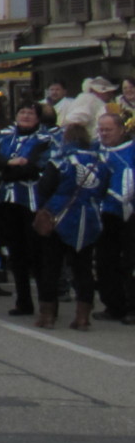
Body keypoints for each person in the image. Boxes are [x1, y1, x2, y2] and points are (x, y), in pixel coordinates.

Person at [36, 122, 109, 330]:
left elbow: (44, 188)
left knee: (51, 267)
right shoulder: (100, 161)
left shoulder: (60, 159)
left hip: (59, 217)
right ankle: (83, 317)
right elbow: (103, 189)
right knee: (83, 269)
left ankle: (47, 316)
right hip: (90, 218)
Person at [0, 102, 57, 320]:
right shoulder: (6, 137)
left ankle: (47, 304)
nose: (26, 115)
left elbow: (34, 167)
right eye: (22, 112)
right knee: (16, 254)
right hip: (8, 202)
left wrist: (6, 171)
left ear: (38, 118)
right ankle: (23, 301)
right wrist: (10, 162)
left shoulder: (45, 139)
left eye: (30, 113)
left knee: (37, 254)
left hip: (32, 202)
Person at [93, 110, 132, 324]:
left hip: (128, 214)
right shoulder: (95, 150)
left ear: (121, 130)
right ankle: (113, 305)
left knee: (130, 262)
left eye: (108, 129)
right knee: (105, 261)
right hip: (103, 214)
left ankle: (132, 307)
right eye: (101, 129)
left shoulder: (131, 150)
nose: (104, 133)